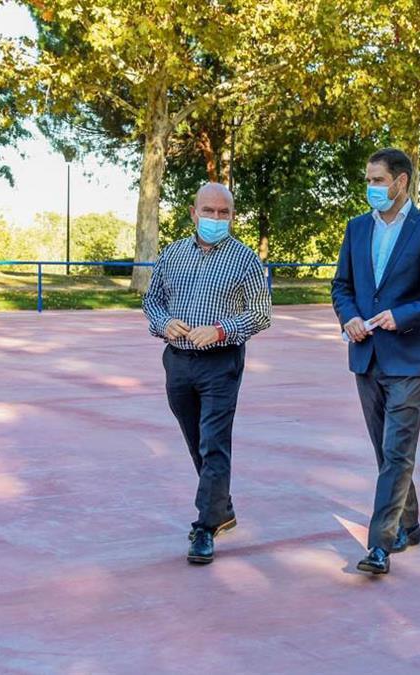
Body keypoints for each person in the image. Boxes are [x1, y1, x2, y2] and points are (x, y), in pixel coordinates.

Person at [331, 148, 420, 575]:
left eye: (377, 180)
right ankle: (409, 522)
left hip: (409, 355)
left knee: (396, 450)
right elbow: (342, 285)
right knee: (386, 451)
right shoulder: (355, 230)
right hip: (365, 354)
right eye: (368, 181)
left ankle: (380, 545)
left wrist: (403, 316)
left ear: (401, 181)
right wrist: (348, 316)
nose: (371, 188)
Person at [142, 182, 271, 565]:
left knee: (214, 442)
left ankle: (204, 526)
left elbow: (261, 313)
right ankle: (222, 507)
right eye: (209, 211)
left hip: (221, 362)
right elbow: (153, 300)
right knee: (196, 437)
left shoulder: (245, 260)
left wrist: (220, 330)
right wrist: (164, 323)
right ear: (193, 213)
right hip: (177, 361)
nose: (216, 218)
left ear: (232, 216)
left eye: (224, 213)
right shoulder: (173, 254)